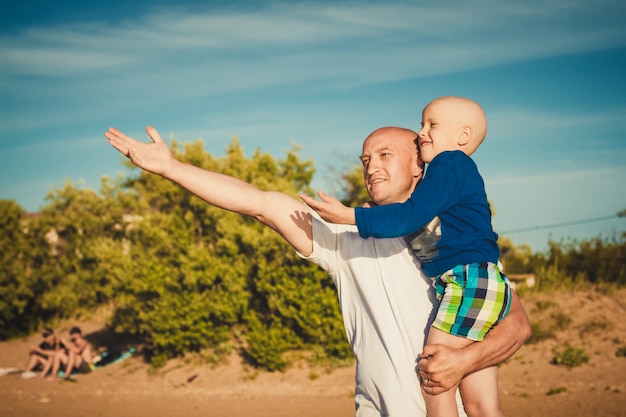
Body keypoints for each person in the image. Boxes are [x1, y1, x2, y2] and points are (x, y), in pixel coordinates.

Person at [104, 124, 531, 416]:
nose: (371, 166)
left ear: (421, 164)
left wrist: (462, 362)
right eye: (365, 159)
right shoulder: (344, 236)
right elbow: (259, 202)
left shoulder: (458, 243)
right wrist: (172, 169)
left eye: (385, 154)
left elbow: (517, 327)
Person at [300, 97, 512, 417]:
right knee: (482, 403)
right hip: (487, 281)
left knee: (434, 377)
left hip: (467, 282)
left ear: (463, 136)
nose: (422, 131)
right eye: (422, 123)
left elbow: (408, 217)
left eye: (432, 125)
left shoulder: (449, 163)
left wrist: (350, 216)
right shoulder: (459, 175)